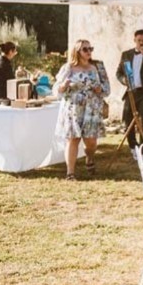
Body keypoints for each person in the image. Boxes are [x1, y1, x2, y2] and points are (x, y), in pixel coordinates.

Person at [55, 39, 110, 181]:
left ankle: (89, 157)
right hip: (73, 108)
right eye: (85, 49)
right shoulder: (68, 68)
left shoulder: (98, 67)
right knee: (73, 139)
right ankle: (70, 173)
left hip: (92, 108)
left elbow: (107, 89)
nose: (89, 52)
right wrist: (64, 85)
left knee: (91, 142)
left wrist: (100, 89)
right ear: (77, 51)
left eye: (90, 48)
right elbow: (57, 91)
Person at [117, 29, 143, 150]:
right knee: (127, 120)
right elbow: (119, 73)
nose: (142, 43)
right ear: (134, 40)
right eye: (139, 40)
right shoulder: (126, 54)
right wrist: (123, 80)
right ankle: (133, 146)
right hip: (131, 92)